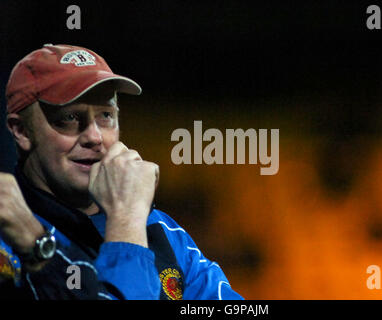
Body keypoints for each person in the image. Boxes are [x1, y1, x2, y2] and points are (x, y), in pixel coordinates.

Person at [0, 44, 243, 300]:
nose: (95, 137)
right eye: (69, 117)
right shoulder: (7, 243)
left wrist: (128, 218)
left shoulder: (161, 229)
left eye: (106, 115)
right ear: (21, 131)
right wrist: (126, 224)